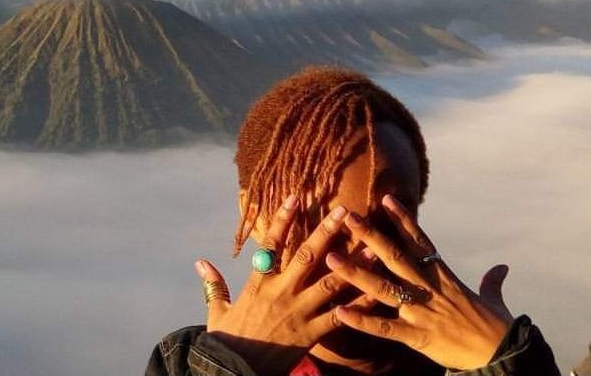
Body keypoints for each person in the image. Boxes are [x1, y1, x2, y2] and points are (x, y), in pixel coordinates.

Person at [145, 66, 561, 376]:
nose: (361, 255)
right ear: (251, 214)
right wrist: (228, 363)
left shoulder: (478, 358)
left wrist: (505, 363)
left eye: (390, 217)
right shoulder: (187, 363)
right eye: (320, 221)